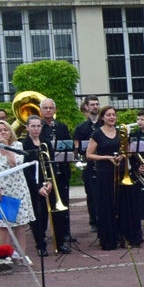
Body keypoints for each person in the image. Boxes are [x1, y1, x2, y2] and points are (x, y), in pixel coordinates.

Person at [23, 97, 76, 256]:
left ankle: (59, 243)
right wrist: (38, 186)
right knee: (39, 216)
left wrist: (50, 182)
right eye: (33, 126)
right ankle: (41, 245)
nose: (36, 129)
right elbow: (25, 169)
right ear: (27, 128)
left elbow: (51, 164)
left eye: (38, 126)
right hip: (34, 184)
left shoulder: (46, 142)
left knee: (57, 213)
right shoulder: (24, 144)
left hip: (49, 182)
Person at [0, 120, 37, 260]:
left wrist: (6, 148)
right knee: (3, 225)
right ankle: (5, 254)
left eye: (5, 130)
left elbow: (15, 164)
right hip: (0, 191)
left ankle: (23, 255)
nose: (3, 133)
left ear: (10, 132)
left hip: (18, 190)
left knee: (21, 225)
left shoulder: (17, 146)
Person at [83, 105, 127, 250]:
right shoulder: (97, 134)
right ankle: (109, 238)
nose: (112, 117)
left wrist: (122, 156)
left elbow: (126, 150)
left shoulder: (120, 132)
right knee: (107, 204)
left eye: (113, 115)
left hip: (119, 171)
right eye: (108, 115)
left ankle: (122, 235)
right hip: (104, 172)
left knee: (121, 203)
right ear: (102, 117)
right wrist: (105, 157)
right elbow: (89, 155)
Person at [70, 95, 103, 235]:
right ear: (86, 107)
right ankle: (93, 221)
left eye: (97, 104)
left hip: (103, 163)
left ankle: (105, 219)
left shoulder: (104, 124)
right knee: (90, 194)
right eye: (92, 104)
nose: (95, 107)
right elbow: (76, 148)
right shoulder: (81, 128)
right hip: (89, 164)